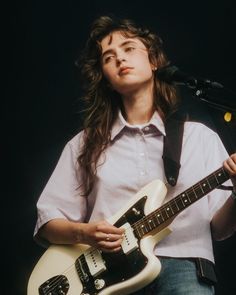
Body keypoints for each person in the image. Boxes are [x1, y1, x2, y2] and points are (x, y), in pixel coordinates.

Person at [33, 15, 236, 295]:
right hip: (109, 276)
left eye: (129, 48)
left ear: (153, 62)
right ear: (105, 78)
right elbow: (47, 222)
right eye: (108, 57)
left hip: (186, 268)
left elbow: (221, 228)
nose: (119, 59)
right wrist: (85, 233)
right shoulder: (84, 144)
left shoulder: (200, 138)